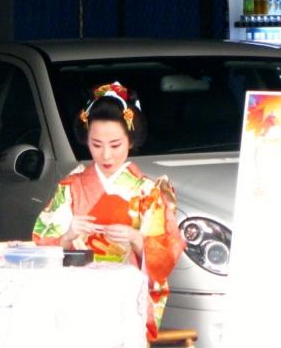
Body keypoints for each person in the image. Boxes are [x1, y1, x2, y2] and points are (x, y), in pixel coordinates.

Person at [32, 81, 186, 341]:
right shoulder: (71, 187)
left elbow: (168, 252)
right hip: (74, 297)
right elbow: (40, 246)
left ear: (131, 140)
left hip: (124, 298)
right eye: (96, 144)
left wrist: (136, 239)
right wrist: (67, 236)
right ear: (86, 140)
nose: (106, 155)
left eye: (115, 145)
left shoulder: (147, 192)